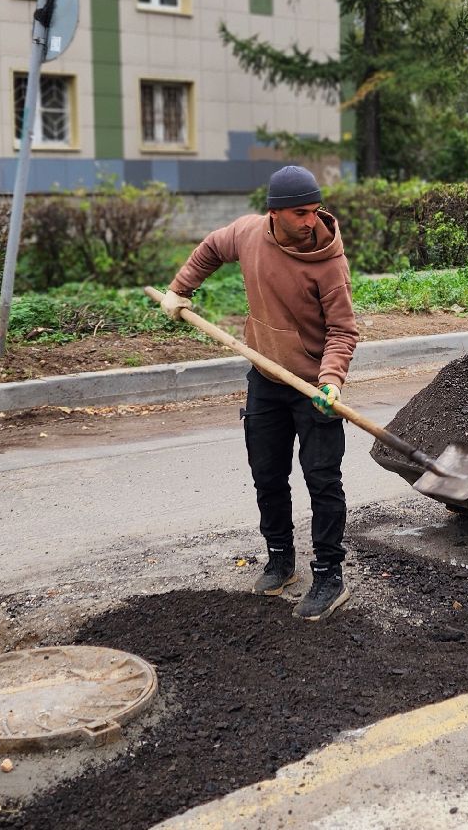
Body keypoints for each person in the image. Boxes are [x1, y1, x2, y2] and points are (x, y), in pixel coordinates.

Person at [159, 165, 360, 621]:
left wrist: (330, 379)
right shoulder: (249, 234)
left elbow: (343, 331)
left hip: (313, 389)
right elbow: (212, 247)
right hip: (265, 379)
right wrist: (180, 289)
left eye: (315, 211)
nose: (311, 221)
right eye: (300, 213)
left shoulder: (329, 264)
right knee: (267, 475)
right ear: (275, 213)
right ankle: (281, 559)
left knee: (322, 481)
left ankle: (329, 574)